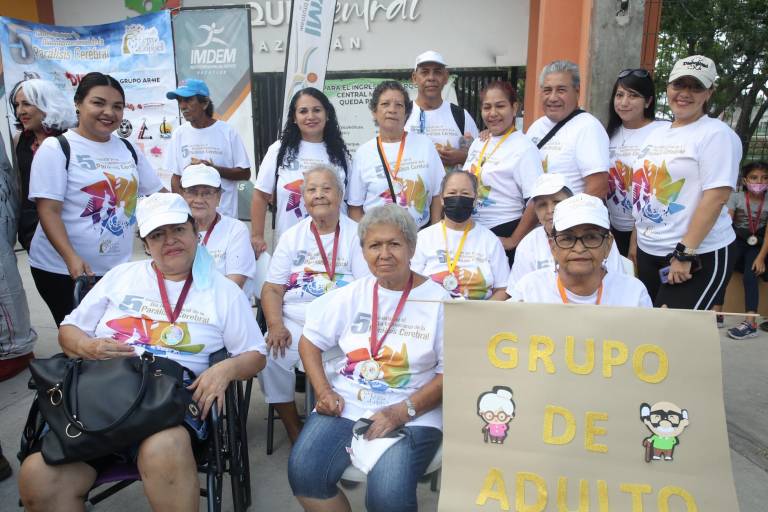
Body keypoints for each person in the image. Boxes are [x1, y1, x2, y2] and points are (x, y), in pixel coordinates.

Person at [18, 192, 267, 512]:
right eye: (158, 234)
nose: (170, 240)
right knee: (37, 476)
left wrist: (226, 369)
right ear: (146, 244)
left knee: (163, 448)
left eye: (178, 229)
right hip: (102, 399)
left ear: (195, 232)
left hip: (167, 405)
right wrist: (88, 346)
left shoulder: (224, 292)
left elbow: (255, 354)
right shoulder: (121, 277)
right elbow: (69, 330)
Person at [288, 204, 448, 512]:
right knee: (304, 473)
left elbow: (450, 373)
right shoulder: (353, 293)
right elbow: (309, 342)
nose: (384, 254)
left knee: (387, 496)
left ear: (412, 248)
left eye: (394, 244)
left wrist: (402, 411)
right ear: (363, 251)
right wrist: (323, 391)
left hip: (413, 410)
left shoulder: (439, 301)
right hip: (348, 403)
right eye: (375, 245)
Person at [28, 72, 163, 326]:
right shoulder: (57, 148)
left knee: (109, 333)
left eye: (117, 106)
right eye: (98, 103)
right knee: (80, 336)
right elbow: (48, 211)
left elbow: (158, 195)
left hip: (115, 269)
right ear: (78, 103)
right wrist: (71, 258)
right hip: (63, 270)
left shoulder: (127, 148)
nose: (109, 112)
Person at [260, 166, 369, 443]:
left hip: (342, 327)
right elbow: (272, 288)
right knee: (270, 354)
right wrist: (275, 324)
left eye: (326, 189)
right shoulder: (291, 236)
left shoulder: (357, 234)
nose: (319, 195)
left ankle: (337, 426)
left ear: (340, 195)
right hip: (296, 322)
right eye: (312, 190)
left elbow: (366, 291)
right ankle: (294, 429)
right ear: (304, 198)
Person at [633, 55, 741, 310]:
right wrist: (636, 243)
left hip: (696, 255)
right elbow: (643, 190)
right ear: (668, 87)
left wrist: (685, 253)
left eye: (696, 87)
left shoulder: (716, 134)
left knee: (673, 330)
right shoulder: (656, 132)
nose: (685, 93)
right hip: (650, 251)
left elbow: (716, 198)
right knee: (652, 328)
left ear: (709, 92)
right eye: (679, 84)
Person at [251, 88, 351, 254]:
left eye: (317, 110)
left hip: (335, 247)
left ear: (327, 115)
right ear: (294, 118)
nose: (310, 116)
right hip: (291, 247)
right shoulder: (279, 150)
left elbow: (351, 203)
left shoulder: (340, 153)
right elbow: (260, 195)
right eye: (303, 111)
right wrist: (257, 236)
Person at [508, 193, 651, 307]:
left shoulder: (634, 295)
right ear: (553, 247)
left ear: (608, 245)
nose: (579, 248)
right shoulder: (528, 293)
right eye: (567, 238)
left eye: (591, 237)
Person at [464, 80, 543, 264]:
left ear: (514, 108)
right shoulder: (479, 142)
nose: (493, 113)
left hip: (504, 230)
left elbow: (536, 200)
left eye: (500, 106)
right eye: (487, 107)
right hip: (474, 231)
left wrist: (513, 240)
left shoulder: (524, 147)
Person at [348, 80, 444, 229]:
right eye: (385, 104)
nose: (392, 110)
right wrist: (369, 238)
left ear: (406, 113)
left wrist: (434, 232)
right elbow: (355, 208)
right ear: (374, 112)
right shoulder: (364, 153)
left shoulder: (425, 145)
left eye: (399, 105)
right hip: (379, 237)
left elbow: (438, 194)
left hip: (421, 235)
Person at [506, 174, 626, 291]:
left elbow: (616, 285)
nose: (550, 210)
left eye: (557, 202)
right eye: (542, 205)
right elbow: (517, 292)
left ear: (571, 202)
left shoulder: (598, 237)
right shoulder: (528, 243)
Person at [412, 170, 509, 299]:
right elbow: (412, 283)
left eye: (465, 193)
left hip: (478, 310)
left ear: (475, 199)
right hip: (434, 309)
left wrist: (484, 311)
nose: (458, 198)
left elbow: (503, 288)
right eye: (452, 193)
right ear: (442, 199)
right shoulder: (424, 238)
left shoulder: (490, 240)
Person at [605, 68, 667, 257]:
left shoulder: (662, 132)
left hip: (647, 232)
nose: (624, 102)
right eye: (619, 95)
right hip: (611, 228)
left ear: (648, 101)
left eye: (633, 96)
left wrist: (636, 236)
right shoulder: (608, 133)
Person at [166, 79, 250, 218]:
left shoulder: (227, 132)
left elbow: (245, 173)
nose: (182, 106)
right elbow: (176, 178)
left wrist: (213, 169)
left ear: (204, 103)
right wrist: (183, 211)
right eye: (180, 101)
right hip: (192, 221)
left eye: (188, 100)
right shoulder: (179, 134)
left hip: (224, 217)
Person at [10, 78, 77, 251]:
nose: (20, 111)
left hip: (70, 229)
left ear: (47, 104)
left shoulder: (70, 139)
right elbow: (21, 186)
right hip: (32, 231)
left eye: (26, 104)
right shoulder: (19, 140)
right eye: (17, 105)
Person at [526, 60, 610, 198]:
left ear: (577, 91)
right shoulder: (536, 127)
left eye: (561, 90)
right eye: (547, 90)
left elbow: (598, 186)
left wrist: (568, 211)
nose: (553, 98)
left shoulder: (588, 127)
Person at [711, 162, 768, 339]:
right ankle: (717, 314)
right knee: (723, 271)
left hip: (757, 244)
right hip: (736, 240)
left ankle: (750, 322)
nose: (759, 182)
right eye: (754, 178)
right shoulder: (736, 197)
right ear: (745, 180)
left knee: (751, 275)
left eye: (764, 178)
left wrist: (761, 258)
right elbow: (727, 223)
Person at [180, 163, 255, 289]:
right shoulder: (174, 231)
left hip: (223, 300)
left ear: (219, 196)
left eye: (207, 193)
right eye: (192, 192)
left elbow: (234, 286)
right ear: (182, 194)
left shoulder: (235, 230)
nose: (199, 200)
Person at [405, 50, 479, 171]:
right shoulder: (402, 114)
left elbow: (481, 157)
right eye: (424, 72)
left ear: (445, 77)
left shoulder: (461, 115)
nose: (431, 78)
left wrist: (463, 157)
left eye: (437, 72)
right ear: (414, 78)